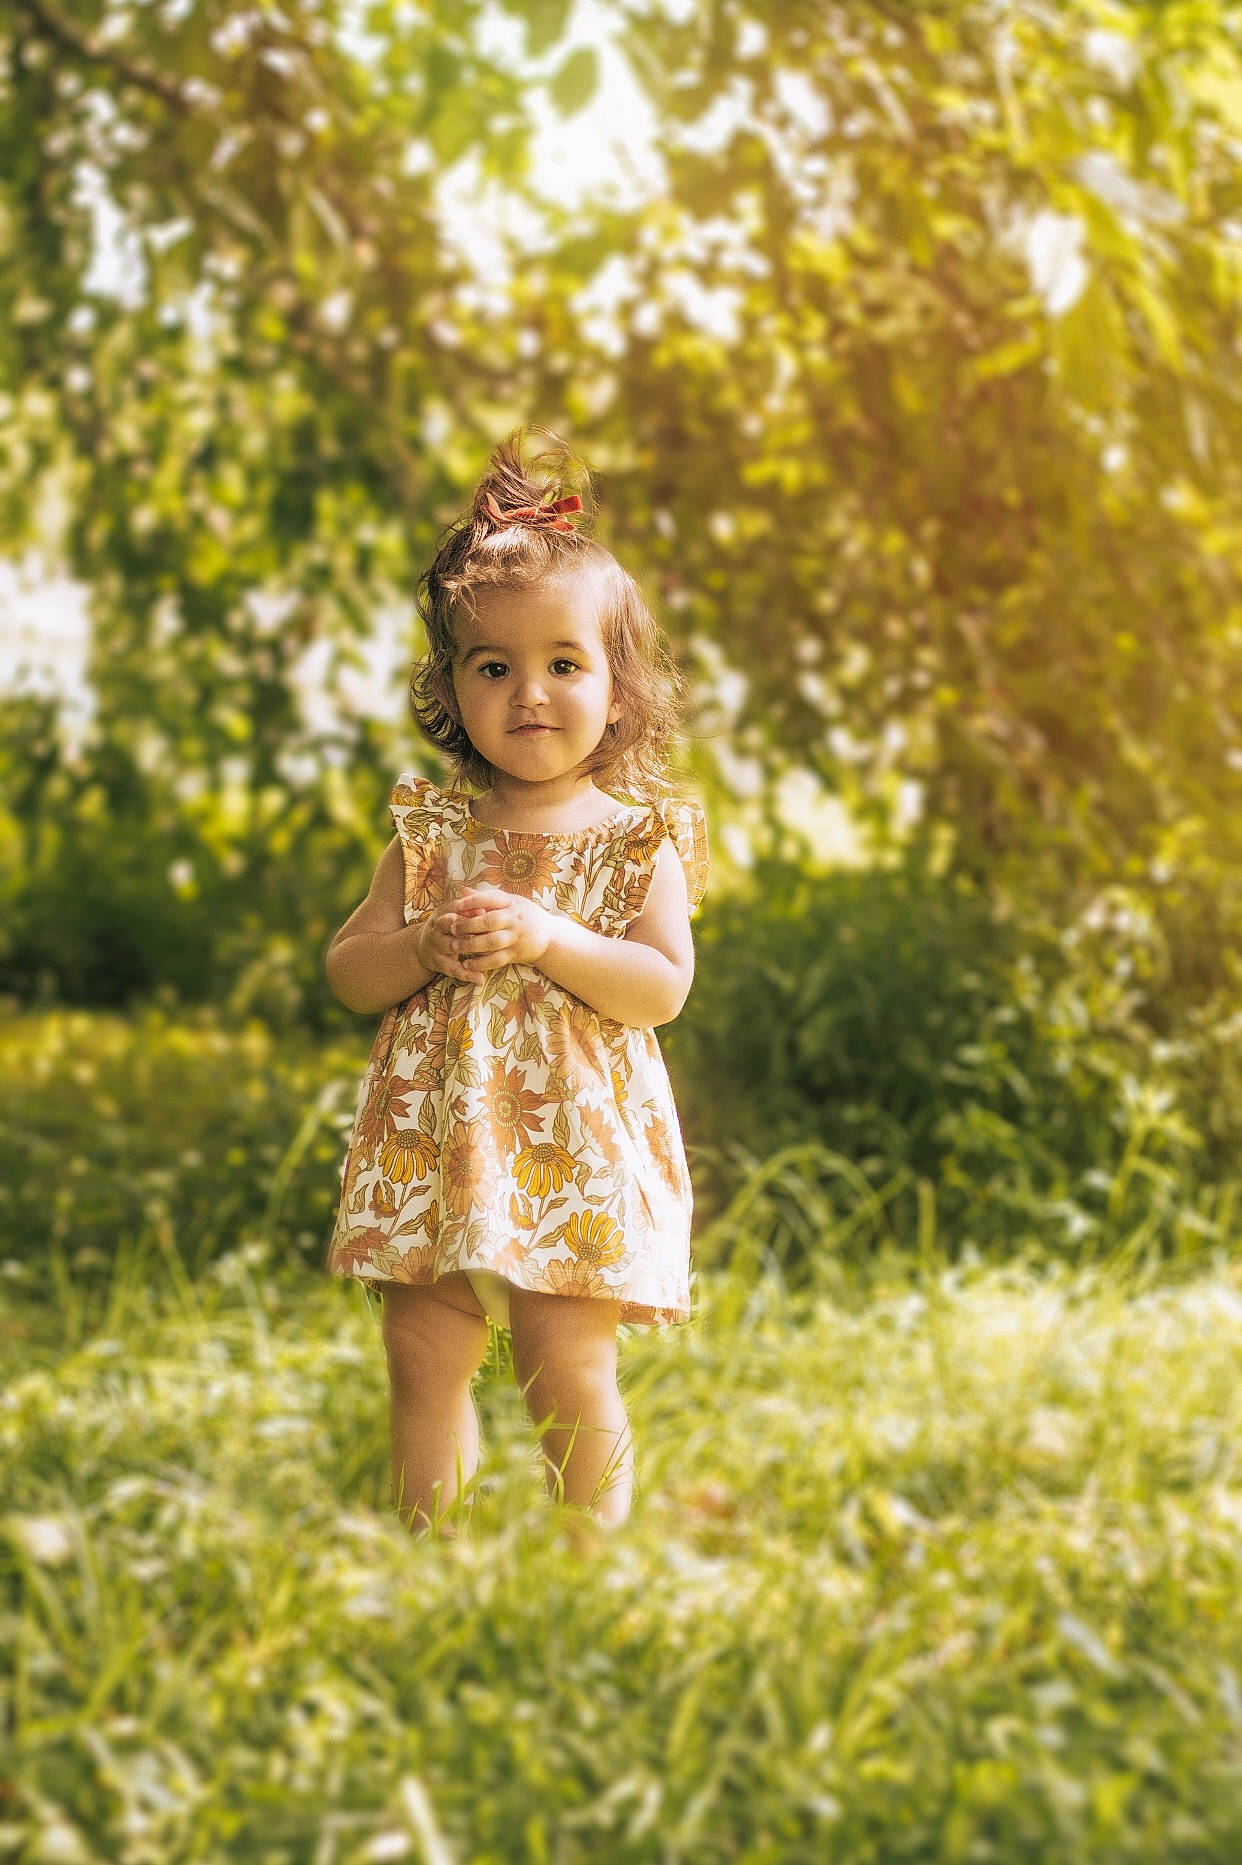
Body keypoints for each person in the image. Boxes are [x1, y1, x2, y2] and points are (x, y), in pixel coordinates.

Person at [322, 423, 709, 1543]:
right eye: (494, 666)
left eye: (564, 664)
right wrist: (422, 947)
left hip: (572, 1142)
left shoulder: (635, 840)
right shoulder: (431, 830)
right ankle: (428, 1542)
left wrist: (545, 933)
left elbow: (658, 986)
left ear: (619, 691)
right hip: (436, 1134)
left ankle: (592, 1554)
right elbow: (351, 971)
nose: (529, 692)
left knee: (561, 1350)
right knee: (422, 1346)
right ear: (451, 686)